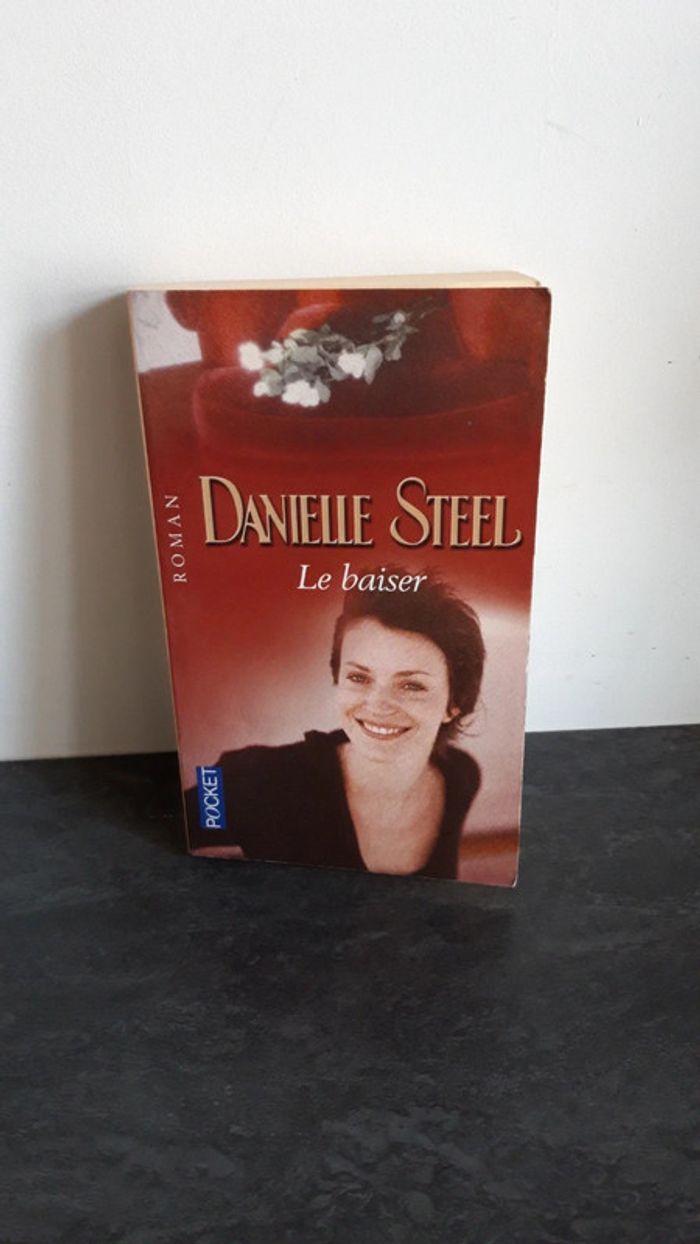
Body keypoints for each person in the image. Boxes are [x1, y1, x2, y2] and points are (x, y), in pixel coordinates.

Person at [186, 571, 485, 880]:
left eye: (411, 685)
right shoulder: (252, 779)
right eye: (359, 677)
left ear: (454, 704)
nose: (378, 704)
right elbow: (179, 832)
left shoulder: (460, 776)